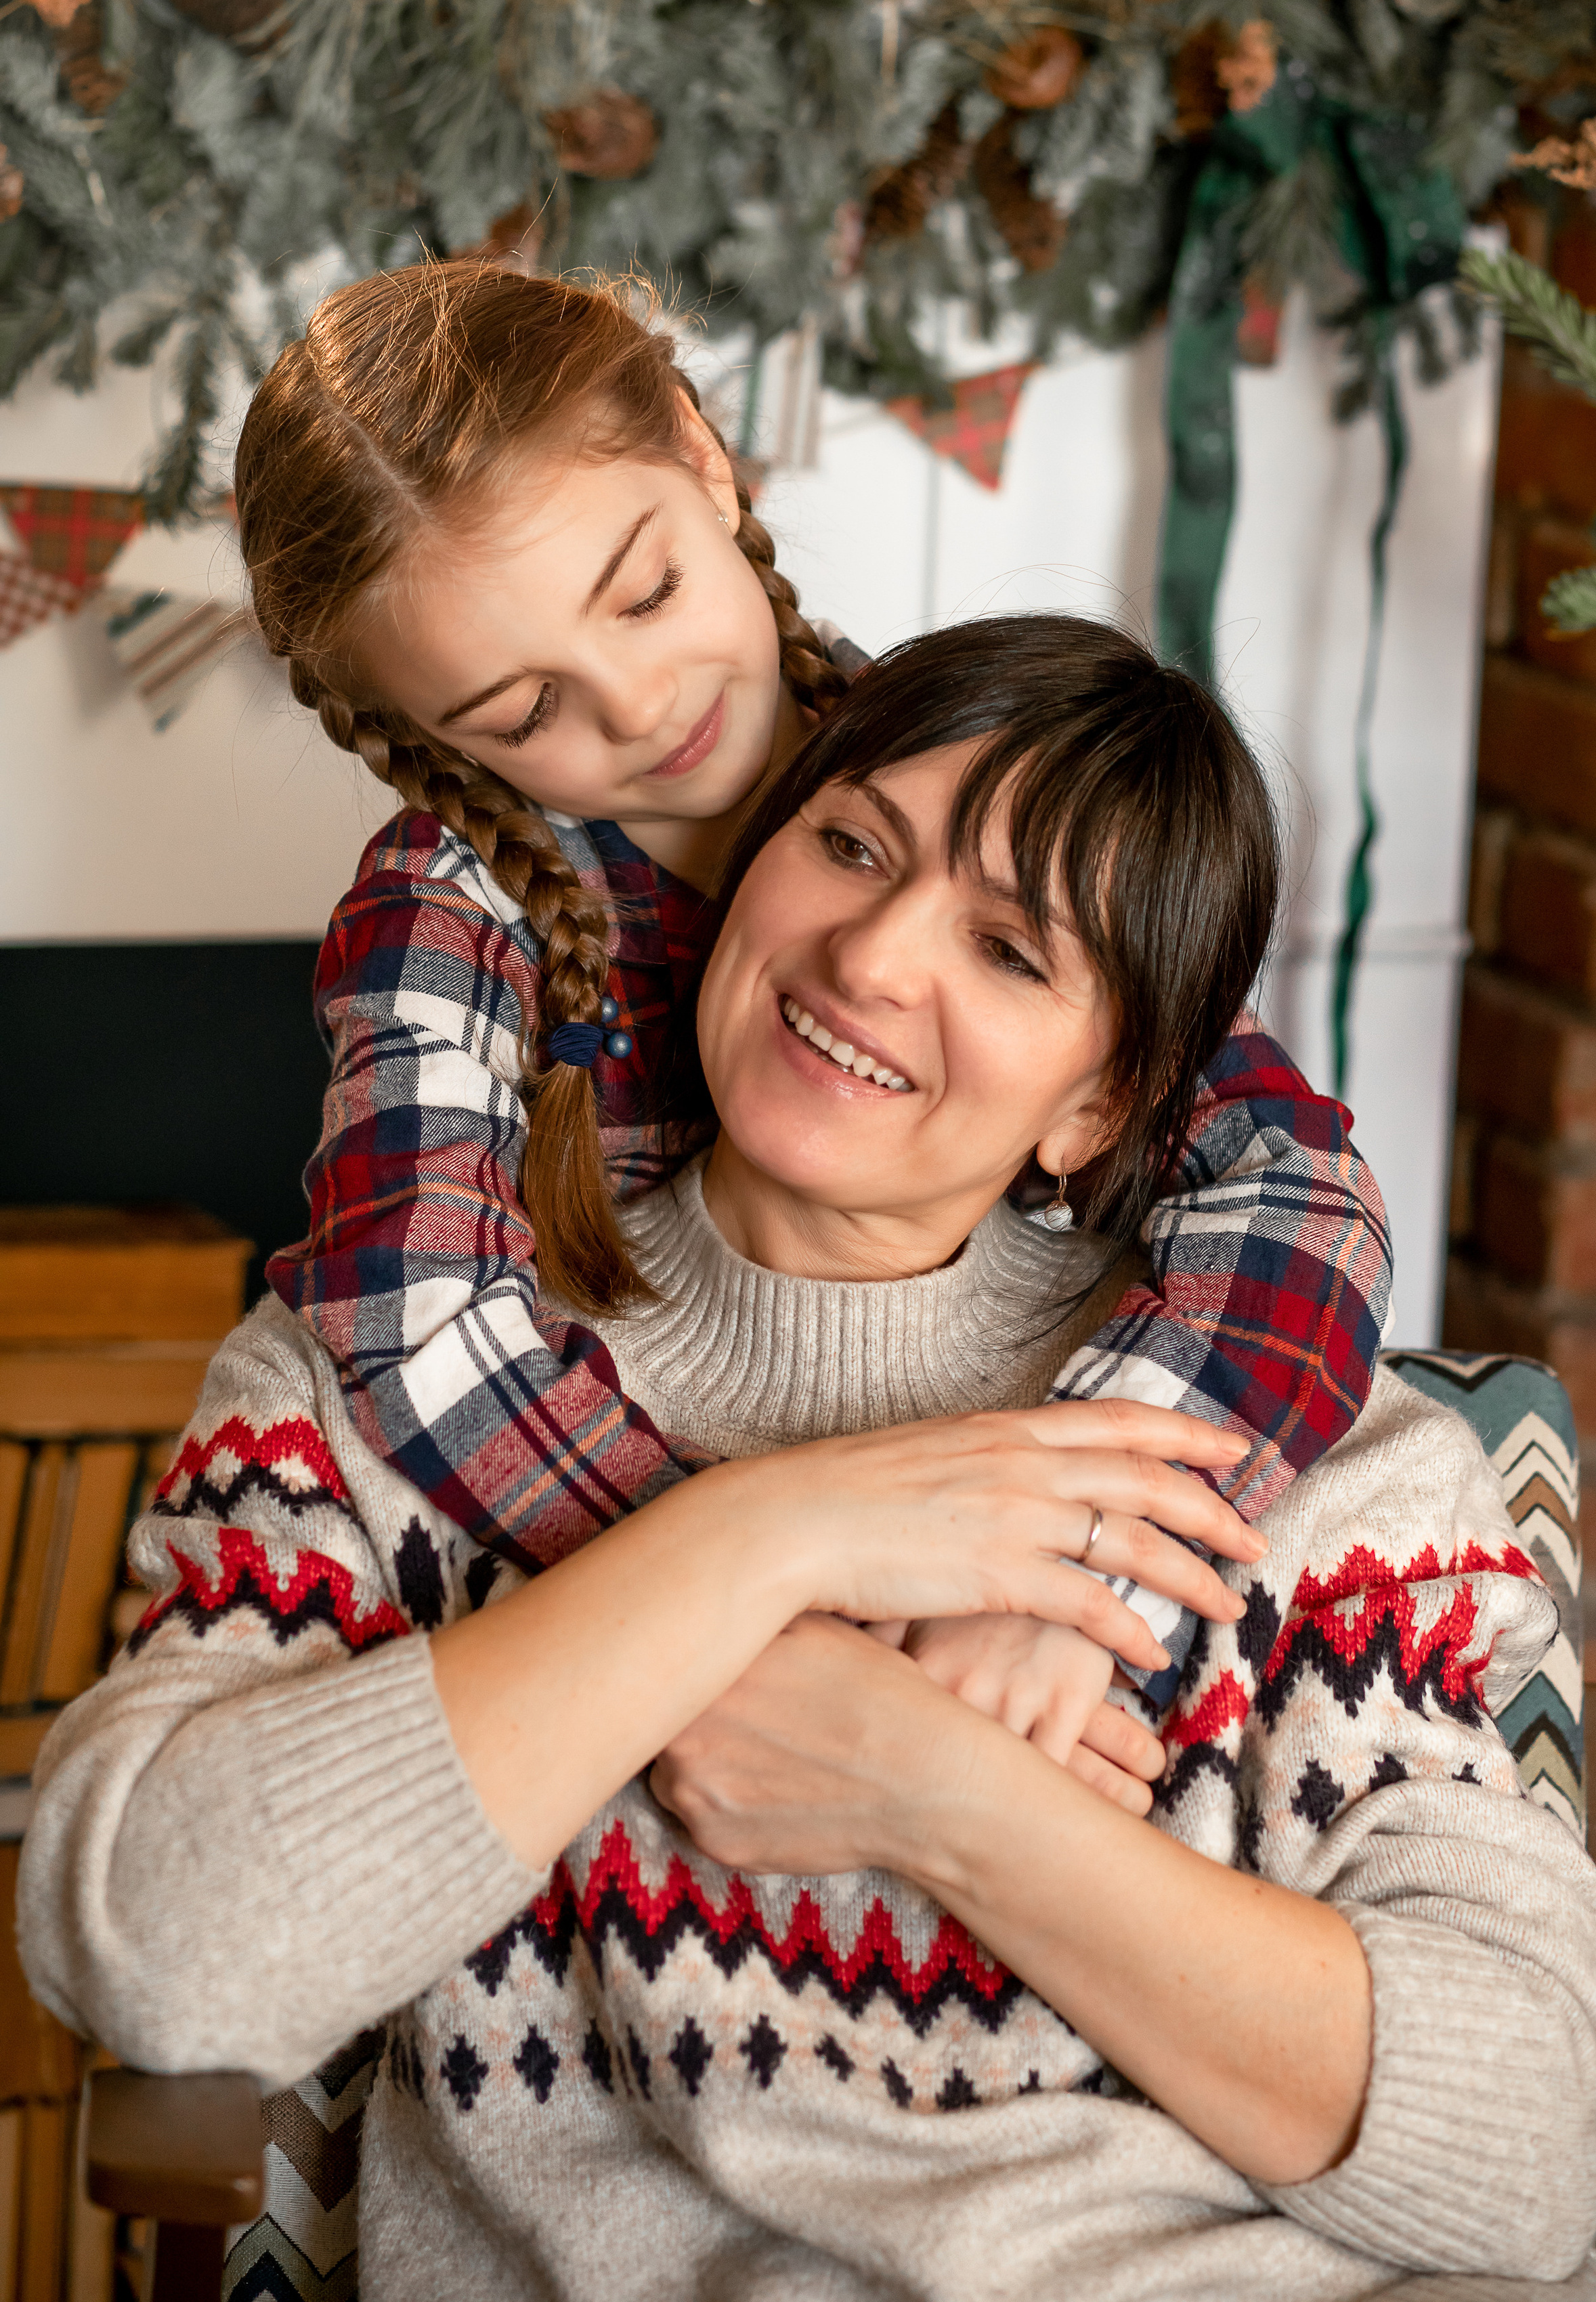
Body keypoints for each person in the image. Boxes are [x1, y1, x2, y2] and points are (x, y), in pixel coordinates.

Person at [20, 620, 1596, 2302]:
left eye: (1011, 953)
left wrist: (931, 1791)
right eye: (850, 844)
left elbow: (1529, 2157)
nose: (870, 959)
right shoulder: (390, 1379)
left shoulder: (1300, 1463)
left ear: (1102, 1105)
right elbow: (153, 1955)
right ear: (742, 869)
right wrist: (763, 1536)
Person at [236, 262, 1392, 1758]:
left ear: (700, 449)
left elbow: (1289, 1180)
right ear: (414, 730)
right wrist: (770, 1617)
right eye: (526, 712)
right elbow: (417, 1316)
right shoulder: (453, 914)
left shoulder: (960, 760)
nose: (644, 706)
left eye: (645, 591)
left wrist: (1071, 1556)